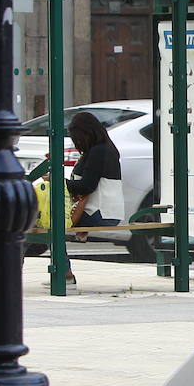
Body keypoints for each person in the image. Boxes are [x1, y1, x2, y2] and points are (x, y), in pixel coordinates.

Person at [62, 111, 125, 285]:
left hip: (100, 212)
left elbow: (87, 186)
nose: (78, 144)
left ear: (86, 134)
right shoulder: (104, 148)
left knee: (50, 224)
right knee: (48, 224)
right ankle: (64, 272)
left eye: (78, 139)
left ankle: (64, 273)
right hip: (107, 212)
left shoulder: (98, 151)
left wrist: (60, 183)